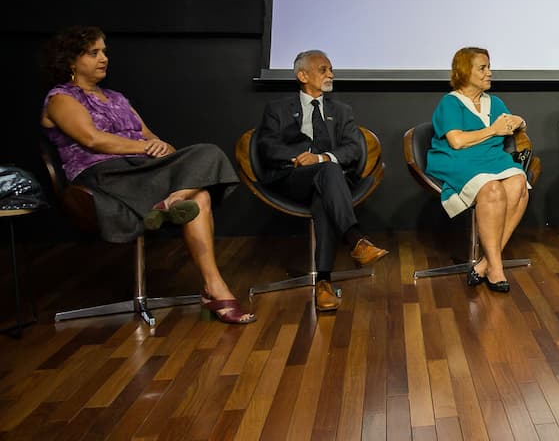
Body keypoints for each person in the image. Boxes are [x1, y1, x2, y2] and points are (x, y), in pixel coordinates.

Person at [40, 25, 255, 324]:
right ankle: (212, 283)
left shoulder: (116, 98)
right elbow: (93, 139)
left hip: (142, 171)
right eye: (94, 53)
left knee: (207, 152)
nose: (104, 58)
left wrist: (164, 149)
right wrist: (145, 146)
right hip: (104, 176)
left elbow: (153, 138)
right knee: (200, 195)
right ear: (71, 61)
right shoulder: (62, 98)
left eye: (104, 51)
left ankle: (175, 204)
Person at [256, 50, 388, 312]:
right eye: (323, 69)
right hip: (292, 179)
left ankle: (324, 283)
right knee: (327, 173)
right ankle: (355, 239)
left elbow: (353, 148)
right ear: (302, 75)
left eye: (331, 69)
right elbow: (267, 147)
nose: (331, 74)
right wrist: (298, 157)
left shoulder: (342, 111)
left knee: (326, 181)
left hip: (330, 180)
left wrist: (322, 158)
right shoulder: (278, 109)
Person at [425, 47, 531, 293]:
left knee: (518, 184)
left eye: (489, 67)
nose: (489, 73)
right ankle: (496, 268)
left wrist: (519, 121)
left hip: (491, 158)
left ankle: (484, 263)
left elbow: (512, 122)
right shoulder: (450, 102)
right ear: (465, 71)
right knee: (492, 189)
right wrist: (493, 130)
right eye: (483, 68)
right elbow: (457, 141)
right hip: (458, 159)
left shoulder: (494, 101)